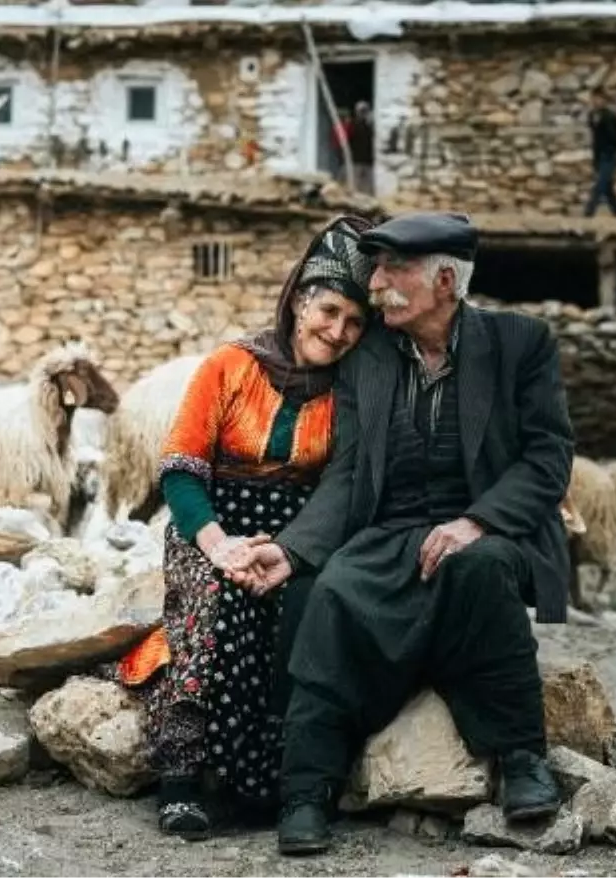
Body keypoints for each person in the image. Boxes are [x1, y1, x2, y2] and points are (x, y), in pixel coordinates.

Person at [228, 212, 575, 856]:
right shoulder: (372, 358)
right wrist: (293, 547)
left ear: (444, 281)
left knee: (479, 569)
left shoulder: (521, 344)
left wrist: (478, 521)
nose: (376, 282)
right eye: (376, 266)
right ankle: (307, 790)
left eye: (393, 269)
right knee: (329, 590)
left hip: (488, 528)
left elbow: (548, 458)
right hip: (389, 535)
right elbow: (350, 468)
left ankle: (522, 758)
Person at [114, 215, 377, 841]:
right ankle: (181, 779)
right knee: (216, 599)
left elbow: (339, 485)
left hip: (292, 533)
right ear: (298, 303)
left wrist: (286, 550)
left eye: (354, 323)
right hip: (210, 522)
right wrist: (218, 544)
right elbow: (179, 470)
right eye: (329, 312)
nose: (337, 332)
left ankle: (260, 784)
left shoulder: (351, 392)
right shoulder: (229, 365)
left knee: (299, 609)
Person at [584, 88, 616, 217]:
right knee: (607, 185)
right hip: (599, 154)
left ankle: (589, 212)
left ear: (604, 101)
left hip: (611, 154)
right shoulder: (592, 116)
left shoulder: (611, 116)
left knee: (600, 183)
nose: (596, 102)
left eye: (599, 99)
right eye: (594, 99)